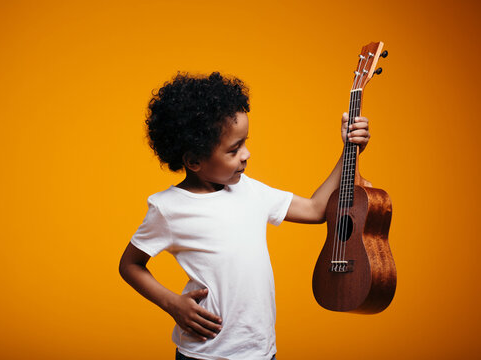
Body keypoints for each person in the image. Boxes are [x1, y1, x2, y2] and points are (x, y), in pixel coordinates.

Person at [119, 71, 370, 360]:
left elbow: (315, 210)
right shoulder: (169, 207)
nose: (246, 154)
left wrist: (349, 150)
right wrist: (173, 303)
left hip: (260, 352)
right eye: (234, 149)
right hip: (204, 353)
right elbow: (130, 265)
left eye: (245, 142)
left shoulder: (251, 191)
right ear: (194, 161)